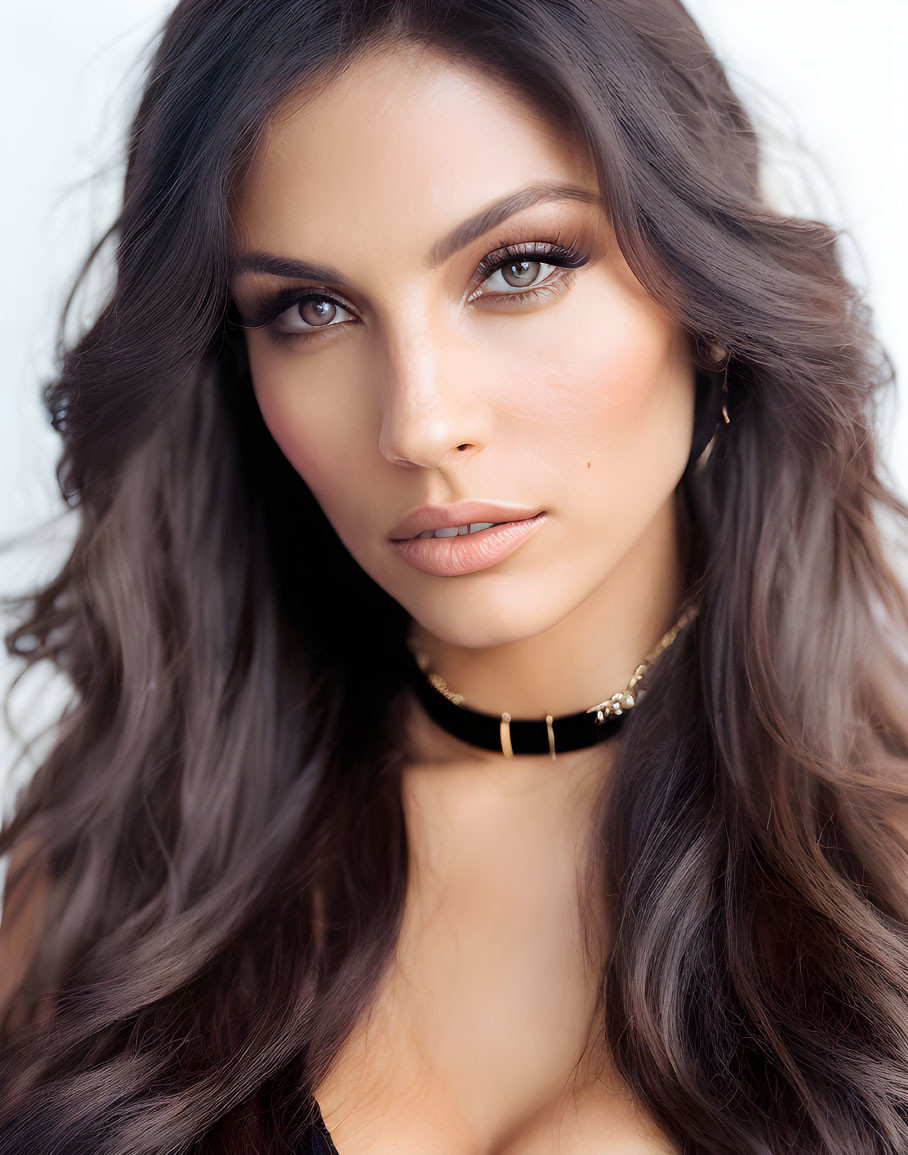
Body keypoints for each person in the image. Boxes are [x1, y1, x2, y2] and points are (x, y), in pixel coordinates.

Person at [1, 0, 907, 1152]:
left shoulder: (886, 887)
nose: (420, 423)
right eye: (310, 309)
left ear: (708, 303)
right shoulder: (115, 885)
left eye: (517, 267)